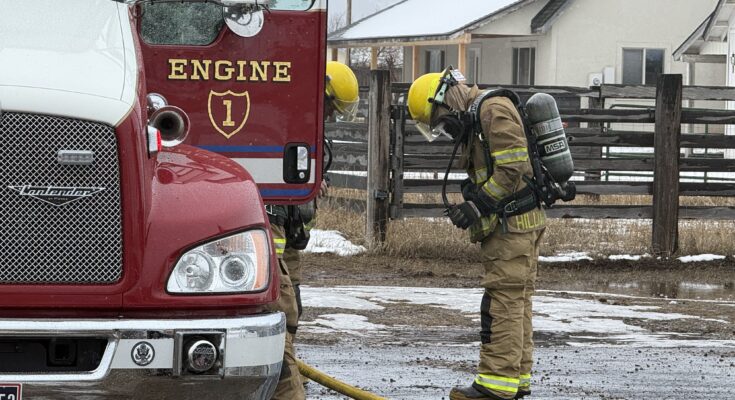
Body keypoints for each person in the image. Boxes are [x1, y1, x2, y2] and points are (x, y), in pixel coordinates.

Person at [407, 67, 546, 400]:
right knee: (516, 301)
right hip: (514, 223)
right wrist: (475, 196)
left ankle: (496, 382)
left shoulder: (491, 109)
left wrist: (479, 204)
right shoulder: (479, 114)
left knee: (503, 301)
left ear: (445, 98)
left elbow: (513, 166)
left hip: (512, 226)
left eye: (441, 120)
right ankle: (515, 378)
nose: (445, 128)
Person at [267, 60, 358, 400]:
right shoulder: (281, 117)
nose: (330, 116)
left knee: (293, 305)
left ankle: (289, 371)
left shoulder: (305, 124)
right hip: (274, 228)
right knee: (280, 308)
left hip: (290, 233)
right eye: (331, 108)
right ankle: (285, 385)